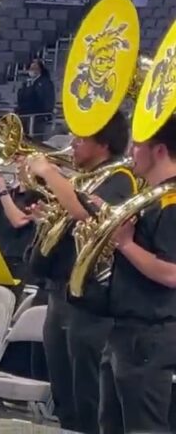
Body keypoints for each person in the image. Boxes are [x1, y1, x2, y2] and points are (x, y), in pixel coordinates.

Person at [24, 113, 135, 434]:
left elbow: (84, 213)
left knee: (87, 394)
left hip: (89, 302)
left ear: (103, 143)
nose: (72, 143)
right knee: (63, 391)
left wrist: (49, 173)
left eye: (81, 139)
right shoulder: (84, 177)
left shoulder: (121, 177)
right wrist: (47, 218)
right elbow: (70, 217)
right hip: (58, 292)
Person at [100, 117, 176, 434]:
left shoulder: (171, 202)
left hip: (149, 336)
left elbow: (172, 274)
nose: (131, 151)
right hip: (124, 331)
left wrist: (125, 244)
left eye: (138, 145)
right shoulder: (151, 196)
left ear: (158, 150)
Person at [16, 59, 55, 140]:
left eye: (35, 68)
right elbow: (20, 98)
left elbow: (48, 99)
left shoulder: (46, 82)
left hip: (38, 116)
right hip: (24, 115)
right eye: (31, 68)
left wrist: (46, 114)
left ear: (40, 69)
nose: (32, 70)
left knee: (35, 139)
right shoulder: (26, 83)